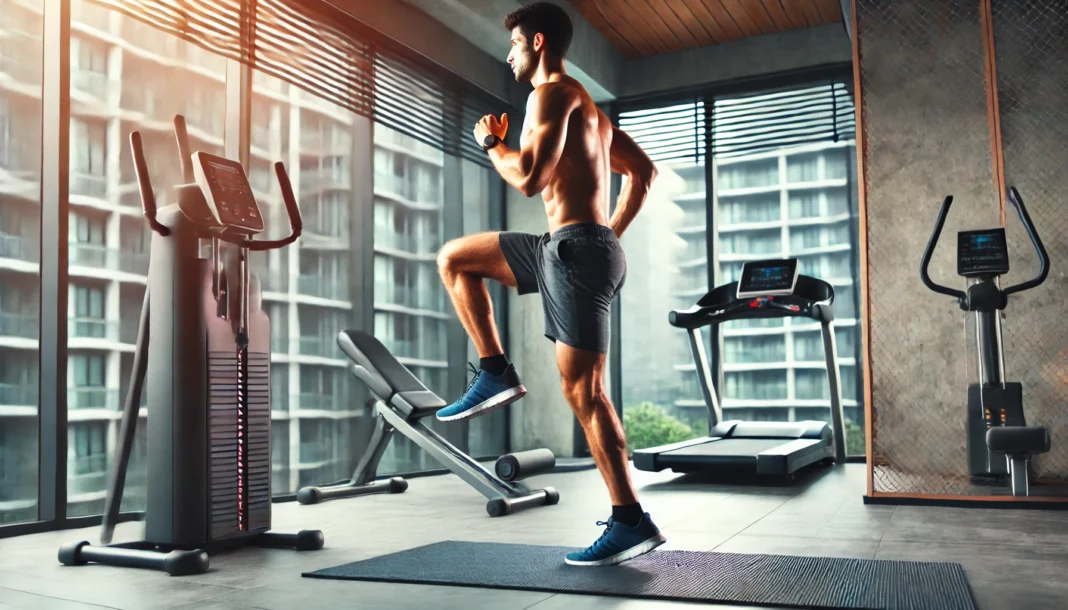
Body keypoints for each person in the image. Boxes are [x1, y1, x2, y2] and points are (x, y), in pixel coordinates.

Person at [434, 2, 662, 566]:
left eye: (513, 45)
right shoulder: (592, 111)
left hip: (576, 250)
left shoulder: (552, 94)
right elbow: (643, 172)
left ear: (537, 42)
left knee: (585, 393)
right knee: (456, 259)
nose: (508, 55)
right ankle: (494, 372)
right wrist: (612, 232)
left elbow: (530, 177)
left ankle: (630, 520)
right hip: (564, 246)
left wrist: (492, 143)